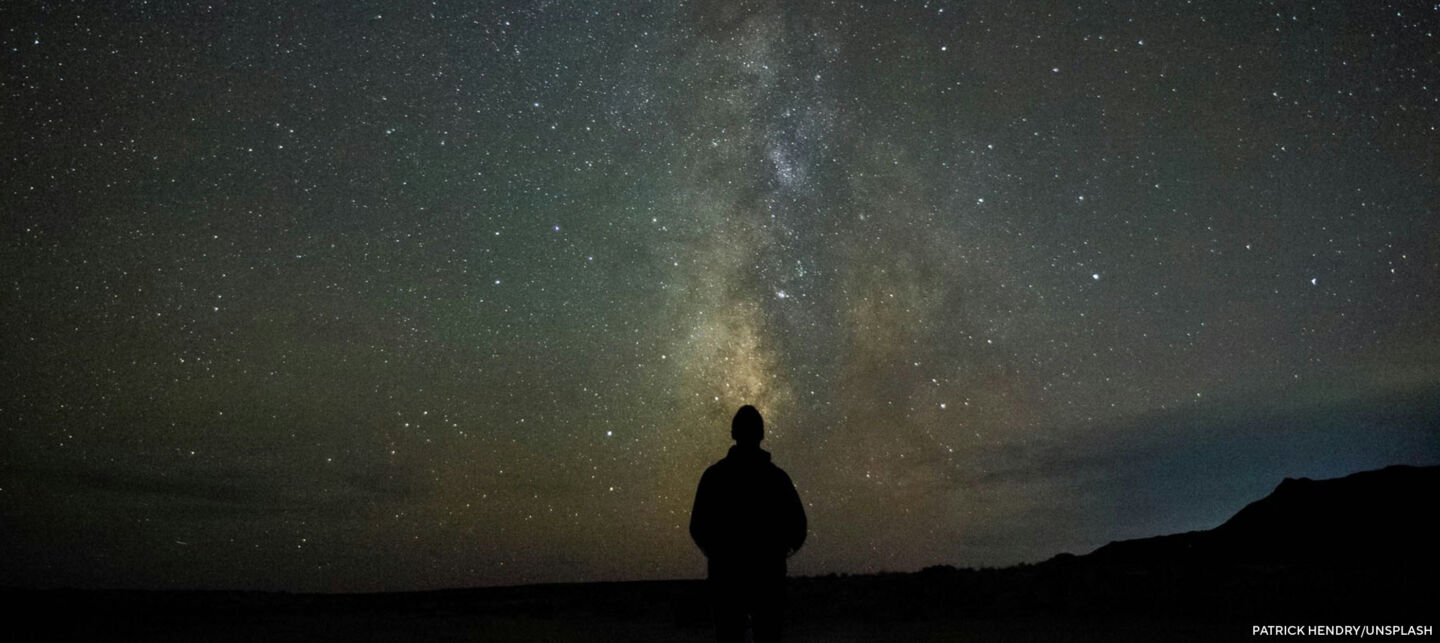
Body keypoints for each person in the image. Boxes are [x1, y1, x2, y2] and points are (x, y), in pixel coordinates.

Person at [689, 405, 807, 643]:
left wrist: (718, 553)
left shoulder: (715, 476)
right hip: (768, 575)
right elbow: (798, 525)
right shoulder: (777, 478)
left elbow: (698, 525)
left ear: (734, 433)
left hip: (727, 576)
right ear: (761, 434)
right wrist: (779, 553)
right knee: (768, 634)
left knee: (729, 634)